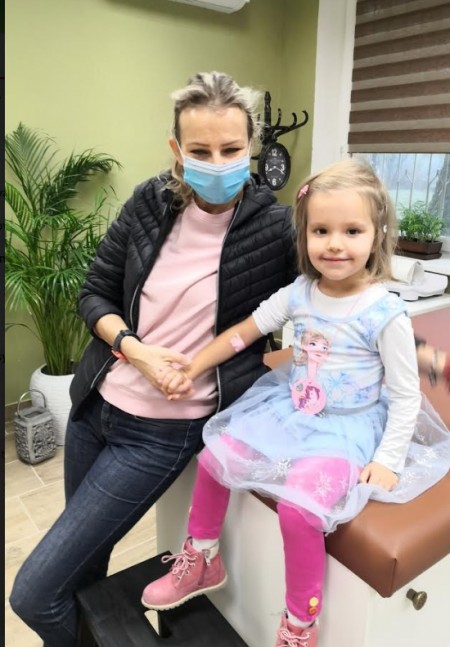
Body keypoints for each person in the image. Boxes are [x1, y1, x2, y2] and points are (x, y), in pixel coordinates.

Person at [9, 71, 298, 647]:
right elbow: (94, 292)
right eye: (200, 151)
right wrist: (133, 349)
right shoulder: (150, 201)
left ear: (251, 147)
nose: (217, 163)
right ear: (176, 149)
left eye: (231, 149)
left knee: (34, 594)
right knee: (85, 572)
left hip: (161, 433)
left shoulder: (276, 229)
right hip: (95, 408)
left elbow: (335, 298)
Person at [141, 159, 450, 647]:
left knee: (299, 511)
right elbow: (245, 332)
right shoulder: (299, 293)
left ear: (377, 234)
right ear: (304, 235)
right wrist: (192, 367)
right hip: (291, 411)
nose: (335, 244)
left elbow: (406, 394)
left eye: (352, 231)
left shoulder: (384, 312)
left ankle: (300, 625)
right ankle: (203, 557)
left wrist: (388, 460)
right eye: (321, 230)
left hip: (349, 427)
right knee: (215, 455)